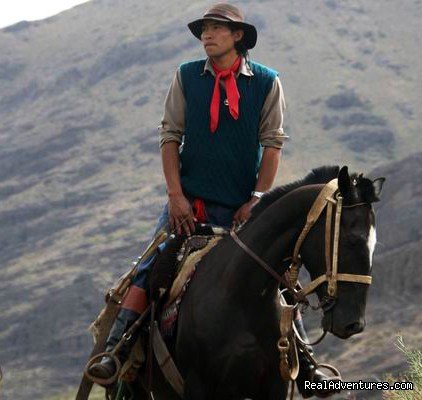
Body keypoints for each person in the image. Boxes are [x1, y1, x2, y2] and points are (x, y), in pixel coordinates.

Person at [88, 3, 340, 397]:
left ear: (238, 36)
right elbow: (170, 136)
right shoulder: (187, 77)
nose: (207, 35)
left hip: (244, 207)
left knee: (277, 276)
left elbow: (272, 145)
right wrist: (175, 195)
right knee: (149, 267)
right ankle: (117, 350)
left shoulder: (267, 82)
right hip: (189, 204)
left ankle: (306, 364)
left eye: (217, 29)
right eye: (205, 28)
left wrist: (257, 199)